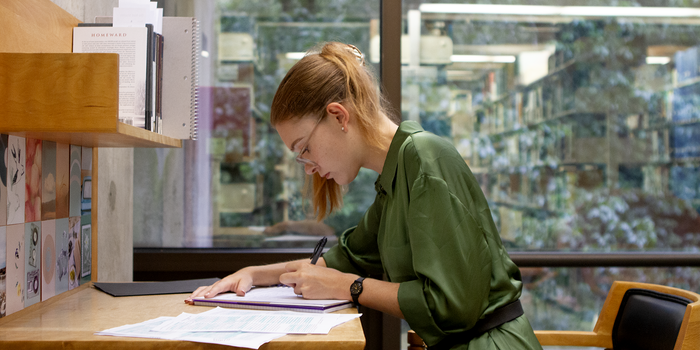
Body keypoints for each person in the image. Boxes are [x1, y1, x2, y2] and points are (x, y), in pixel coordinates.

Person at [188, 42, 542, 350]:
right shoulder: (394, 177)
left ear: (338, 116)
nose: (308, 167)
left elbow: (452, 305)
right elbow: (345, 258)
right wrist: (254, 273)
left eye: (305, 148)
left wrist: (349, 288)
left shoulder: (424, 159)